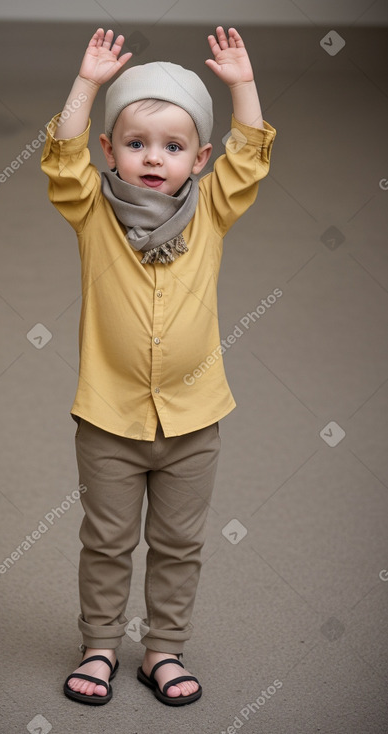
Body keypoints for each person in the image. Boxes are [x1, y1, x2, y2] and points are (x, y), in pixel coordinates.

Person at [41, 26, 276, 706]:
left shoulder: (210, 210)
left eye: (173, 148)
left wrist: (242, 86)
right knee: (108, 543)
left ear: (198, 158)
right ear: (109, 150)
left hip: (194, 421)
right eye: (136, 144)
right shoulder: (92, 212)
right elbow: (61, 157)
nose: (153, 158)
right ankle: (100, 647)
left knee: (178, 544)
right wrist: (87, 83)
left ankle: (163, 651)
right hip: (108, 418)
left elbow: (250, 156)